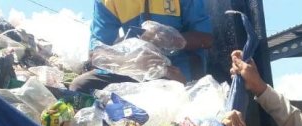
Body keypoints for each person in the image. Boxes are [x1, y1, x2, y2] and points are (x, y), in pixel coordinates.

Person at [69, 0, 213, 94]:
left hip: (177, 68)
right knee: (80, 86)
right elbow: (96, 53)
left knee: (172, 97)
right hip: (133, 69)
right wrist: (130, 61)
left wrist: (172, 40)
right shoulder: (106, 2)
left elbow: (206, 39)